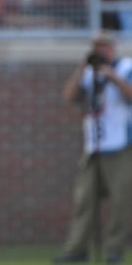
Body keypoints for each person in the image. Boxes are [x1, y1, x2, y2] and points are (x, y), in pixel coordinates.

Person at [53, 32, 132, 264]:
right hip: (93, 147)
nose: (101, 51)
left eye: (105, 47)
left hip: (120, 145)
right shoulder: (88, 73)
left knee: (121, 201)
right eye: (97, 47)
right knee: (84, 200)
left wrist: (112, 76)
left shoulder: (126, 68)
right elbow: (69, 96)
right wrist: (81, 70)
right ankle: (77, 249)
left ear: (113, 48)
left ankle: (114, 250)